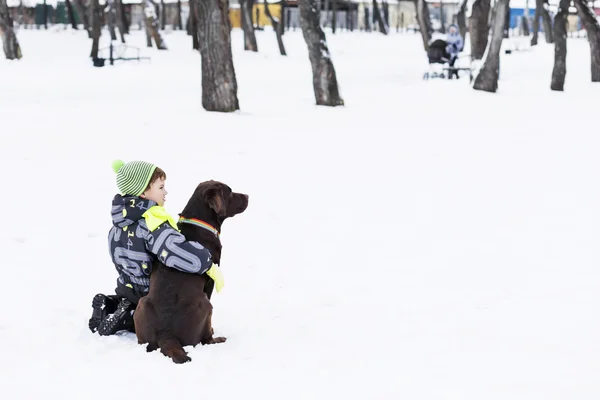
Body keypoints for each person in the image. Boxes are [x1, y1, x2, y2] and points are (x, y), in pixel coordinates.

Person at [88, 160, 223, 336]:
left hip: (124, 286)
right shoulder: (152, 223)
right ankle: (127, 318)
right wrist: (205, 261)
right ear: (143, 192)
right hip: (149, 293)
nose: (165, 192)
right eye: (160, 187)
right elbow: (175, 251)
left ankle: (111, 304)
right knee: (149, 317)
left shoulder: (117, 226)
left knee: (129, 300)